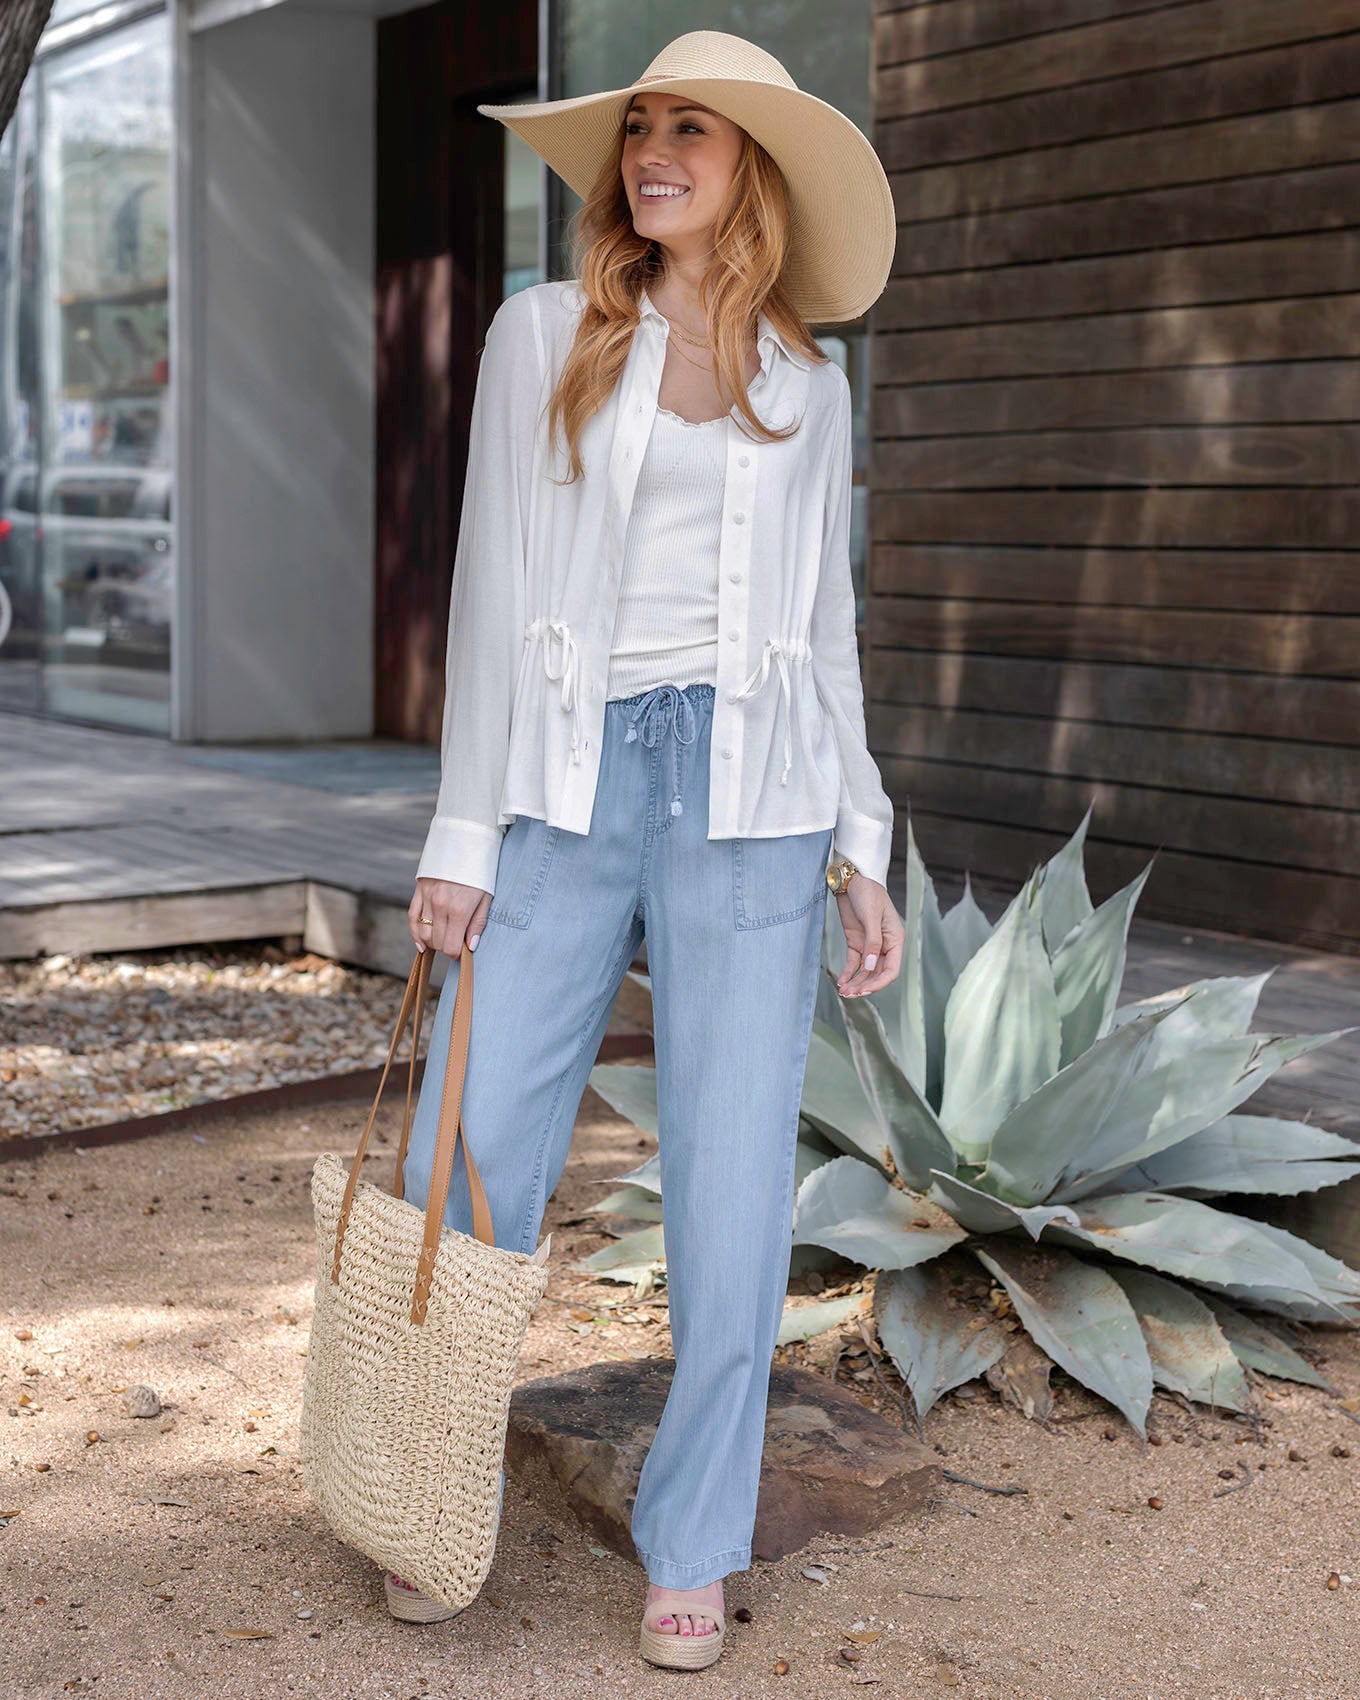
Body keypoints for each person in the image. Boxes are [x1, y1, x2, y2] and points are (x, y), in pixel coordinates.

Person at [390, 29, 904, 1670]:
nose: (655, 152)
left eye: (692, 128)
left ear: (750, 164)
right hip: (561, 773)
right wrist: (462, 828)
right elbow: (486, 598)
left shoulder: (807, 385)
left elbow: (828, 631)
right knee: (466, 1148)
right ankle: (421, 1488)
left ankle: (695, 1536)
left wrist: (862, 844)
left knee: (739, 1185)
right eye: (641, 131)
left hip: (755, 797)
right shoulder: (546, 332)